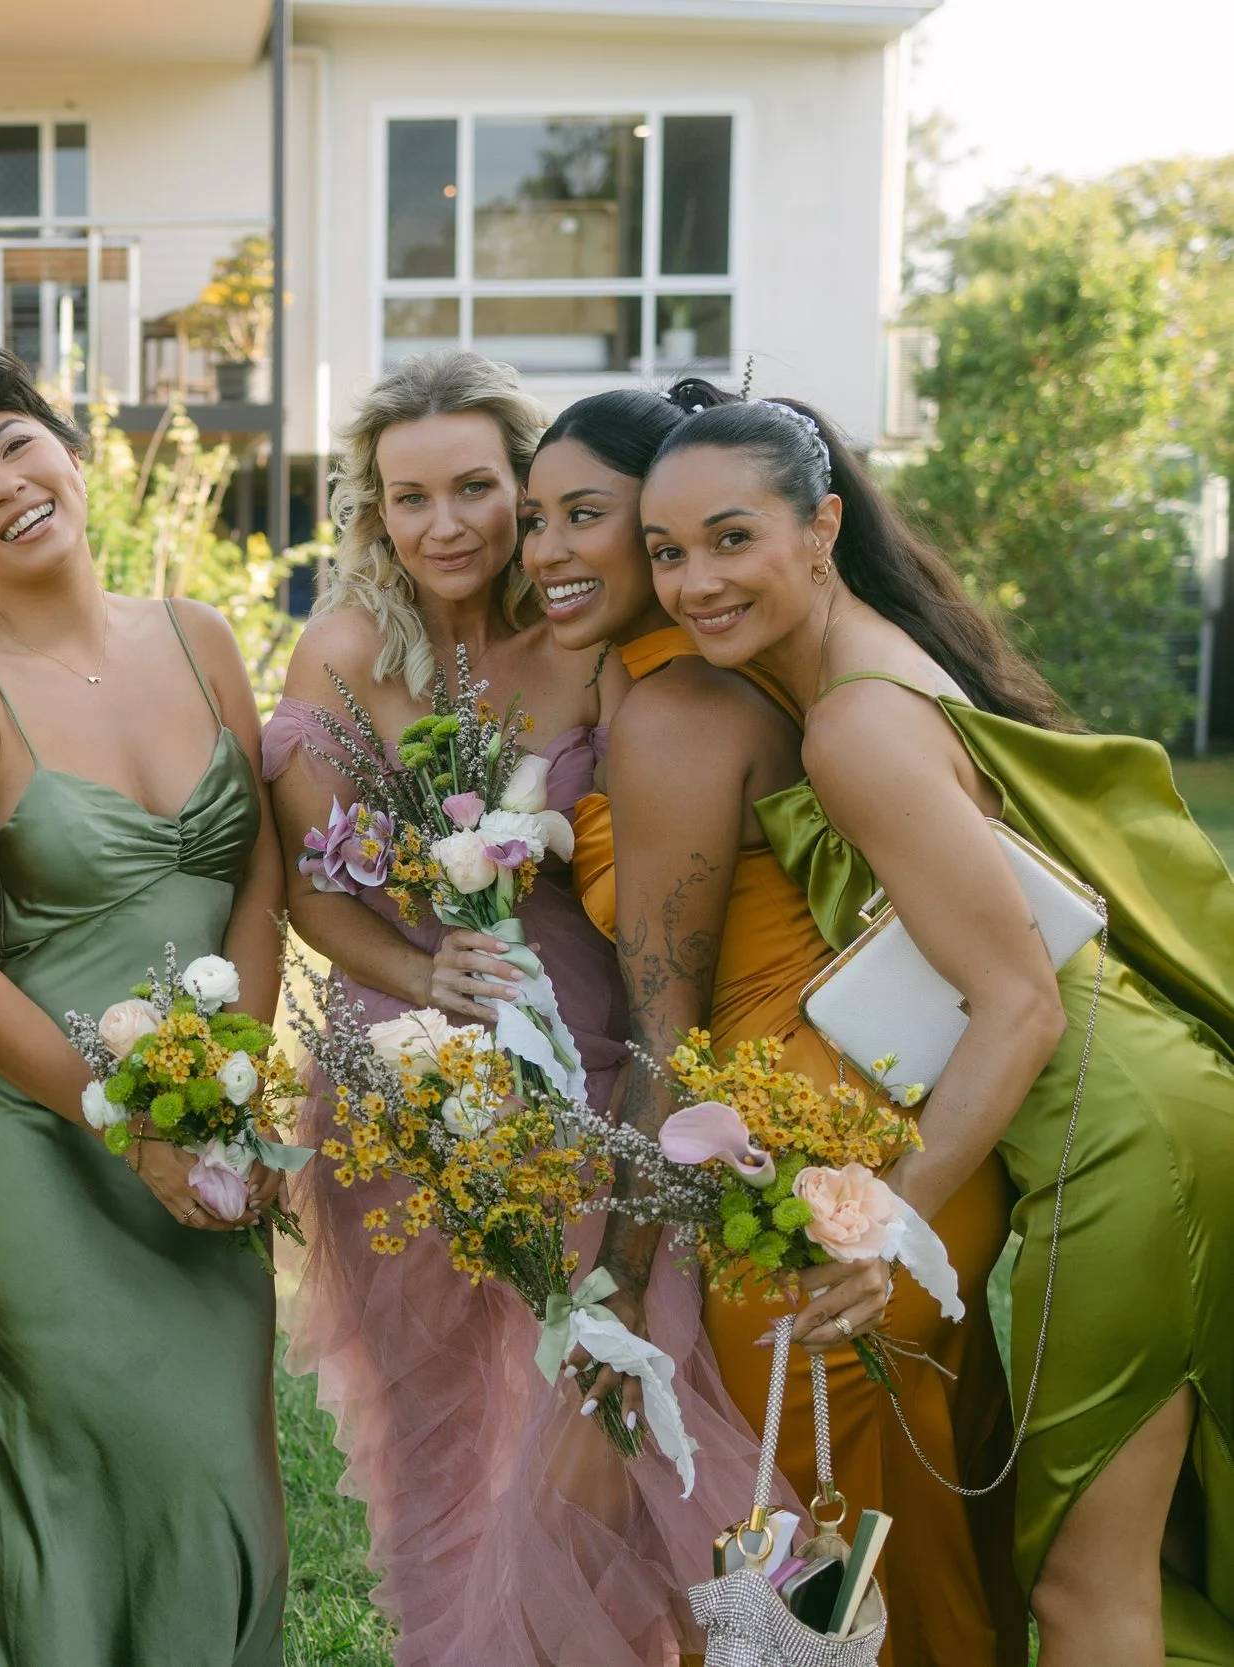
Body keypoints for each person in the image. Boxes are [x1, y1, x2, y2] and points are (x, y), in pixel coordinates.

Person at [639, 393, 1234, 1667]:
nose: (694, 580)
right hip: (1130, 1112)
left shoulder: (856, 721)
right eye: (665, 550)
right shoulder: (865, 675)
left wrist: (885, 1219)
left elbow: (1016, 1000)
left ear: (823, 527)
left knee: (1083, 1576)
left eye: (729, 538)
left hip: (1118, 1136)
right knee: (1136, 1548)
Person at [262, 350, 758, 1665]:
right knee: (443, 1433)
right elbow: (309, 884)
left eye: (479, 487)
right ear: (374, 507)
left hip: (596, 1065)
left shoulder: (587, 639)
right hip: (404, 1079)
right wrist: (424, 971)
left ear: (524, 486)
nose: (449, 525)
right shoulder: (347, 647)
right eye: (410, 496)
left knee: (615, 1389)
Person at [536, 385, 1025, 1666]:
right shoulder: (776, 675)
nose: (551, 551)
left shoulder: (696, 713)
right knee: (872, 1545)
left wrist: (624, 1283)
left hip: (812, 1179)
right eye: (663, 547)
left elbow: (665, 1027)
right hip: (840, 1142)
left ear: (812, 529)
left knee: (827, 1569)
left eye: (590, 518)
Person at [0, 340, 289, 1665]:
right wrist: (133, 1122)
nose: (0, 482)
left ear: (70, 449)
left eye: (15, 442)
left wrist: (227, 1087)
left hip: (203, 1121)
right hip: (39, 1142)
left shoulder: (203, 634)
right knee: (75, 1480)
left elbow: (262, 874)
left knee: (221, 1471)